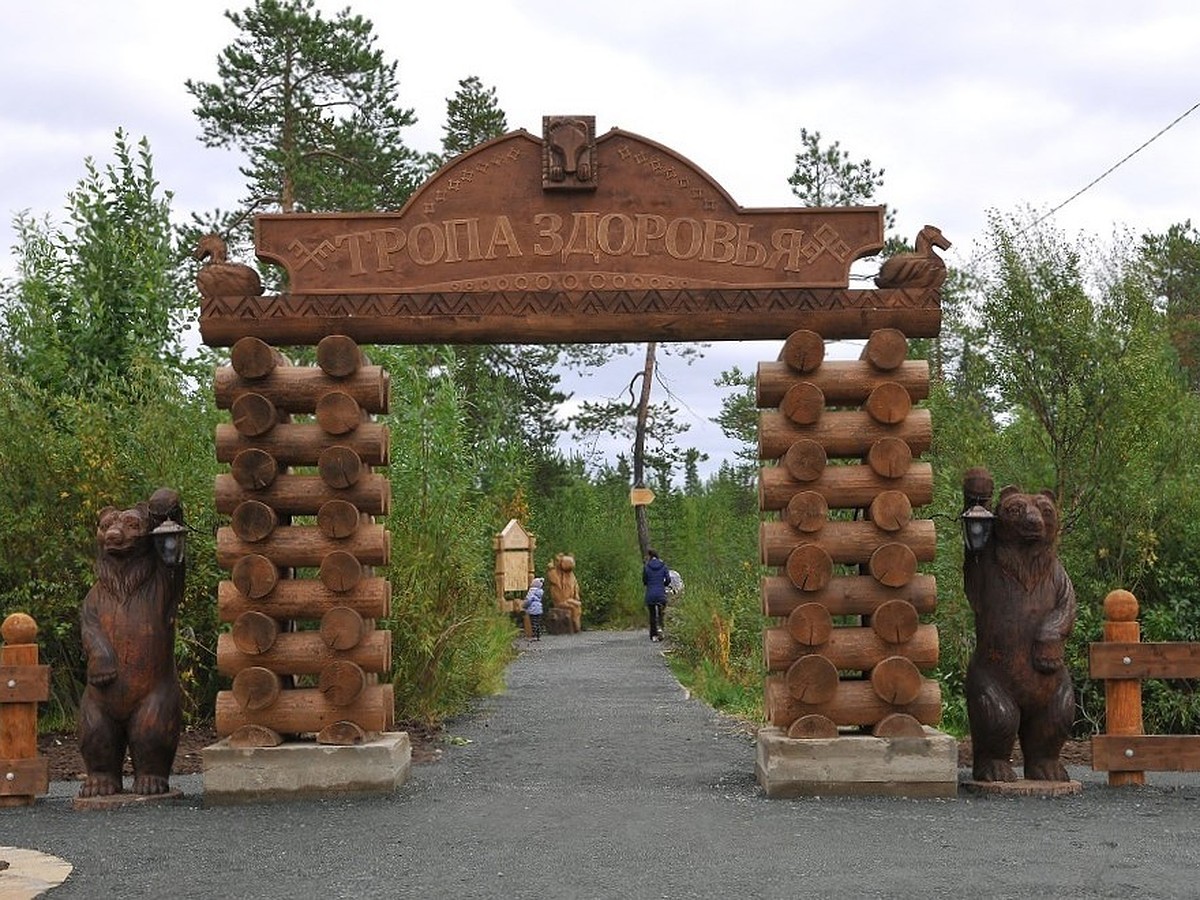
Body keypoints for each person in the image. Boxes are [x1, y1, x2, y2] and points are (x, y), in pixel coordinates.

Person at [546, 553, 583, 633]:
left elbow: (575, 586)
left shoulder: (571, 575)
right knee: (573, 607)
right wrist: (551, 568)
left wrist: (576, 595)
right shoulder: (555, 573)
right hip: (560, 601)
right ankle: (575, 625)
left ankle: (576, 624)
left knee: (578, 605)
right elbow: (553, 579)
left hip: (569, 599)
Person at [642, 548, 671, 641]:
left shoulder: (646, 567)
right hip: (661, 594)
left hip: (650, 594)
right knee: (662, 613)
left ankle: (653, 635)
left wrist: (649, 584)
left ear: (650, 556)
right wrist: (663, 584)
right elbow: (668, 580)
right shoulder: (663, 566)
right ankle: (661, 630)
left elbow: (645, 581)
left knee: (652, 615)